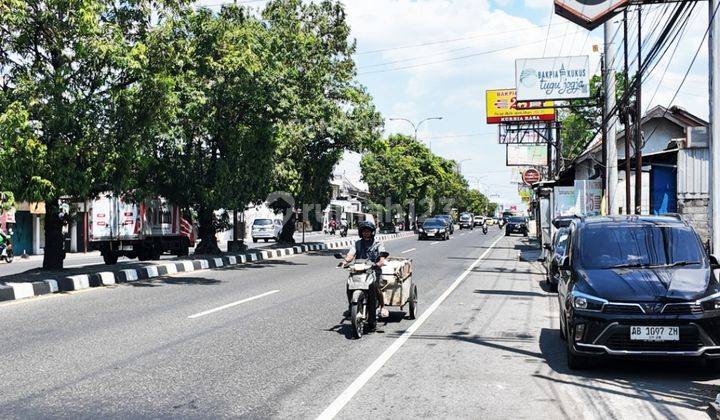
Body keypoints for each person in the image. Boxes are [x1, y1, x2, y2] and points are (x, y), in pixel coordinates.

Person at [338, 220, 389, 319]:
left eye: (368, 231)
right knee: (349, 285)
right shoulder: (357, 244)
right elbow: (350, 255)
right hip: (359, 270)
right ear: (361, 232)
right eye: (364, 231)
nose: (366, 233)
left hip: (373, 269)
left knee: (376, 287)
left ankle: (382, 306)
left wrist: (380, 262)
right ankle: (352, 305)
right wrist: (345, 262)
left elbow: (382, 254)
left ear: (372, 232)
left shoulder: (378, 243)